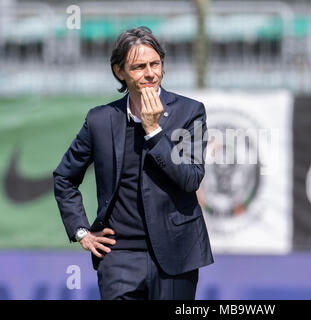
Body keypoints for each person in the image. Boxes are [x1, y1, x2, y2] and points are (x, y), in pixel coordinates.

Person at [53, 26, 214, 300]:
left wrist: (154, 132)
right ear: (119, 71)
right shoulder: (100, 120)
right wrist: (81, 232)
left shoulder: (190, 112)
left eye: (156, 64)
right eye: (139, 66)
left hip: (177, 254)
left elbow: (190, 179)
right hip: (119, 258)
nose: (150, 73)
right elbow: (64, 178)